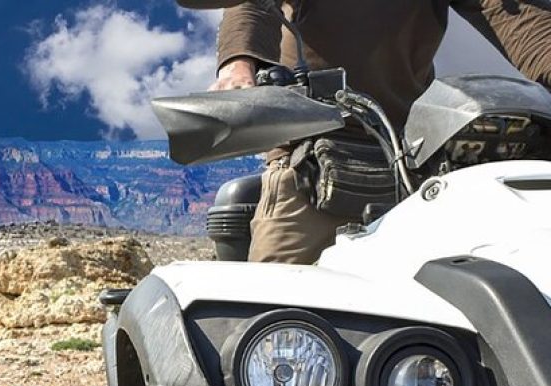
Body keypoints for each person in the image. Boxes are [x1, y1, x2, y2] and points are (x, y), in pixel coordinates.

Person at [211, 0, 551, 264]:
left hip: (411, 162)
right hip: (308, 161)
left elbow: (521, 19)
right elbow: (253, 7)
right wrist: (239, 65)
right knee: (272, 320)